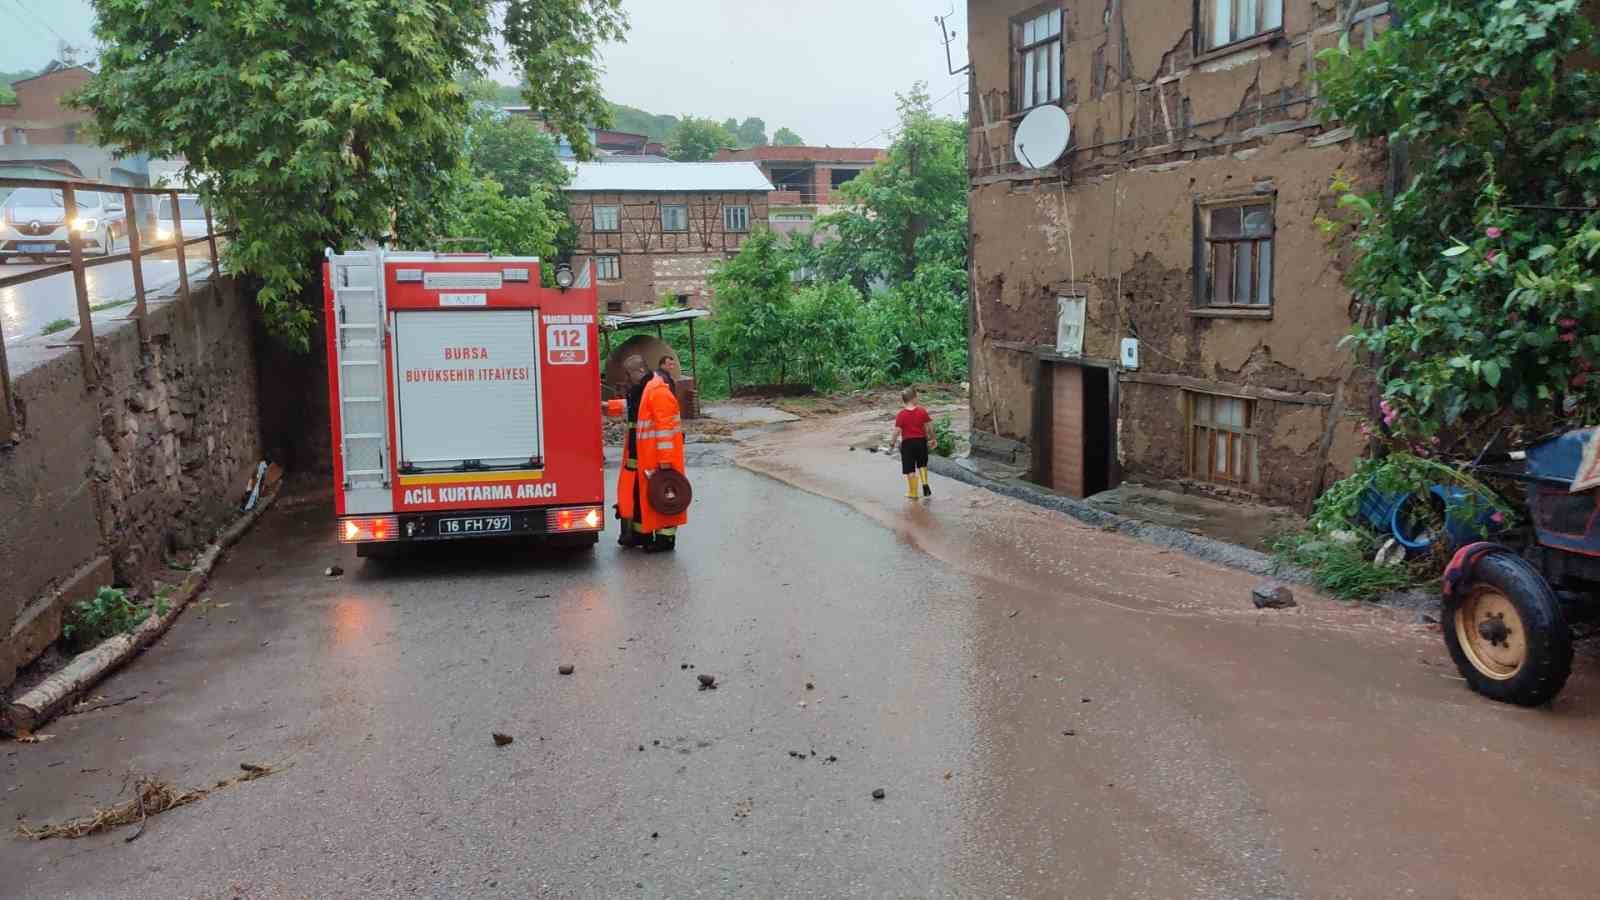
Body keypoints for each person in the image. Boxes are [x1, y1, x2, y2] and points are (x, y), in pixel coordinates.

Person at [634, 355, 688, 551]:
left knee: (667, 498)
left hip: (662, 459)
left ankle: (666, 541)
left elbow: (664, 428)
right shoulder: (653, 389)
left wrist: (665, 461)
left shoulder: (657, 391)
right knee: (661, 498)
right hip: (655, 457)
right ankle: (662, 538)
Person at [602, 355, 652, 547]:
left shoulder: (651, 389)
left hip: (642, 454)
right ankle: (635, 533)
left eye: (629, 374)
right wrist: (610, 406)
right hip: (636, 453)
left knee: (639, 495)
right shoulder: (642, 390)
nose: (627, 379)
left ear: (639, 371)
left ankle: (639, 533)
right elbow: (632, 407)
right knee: (632, 495)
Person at [889, 387, 933, 499]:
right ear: (914, 398)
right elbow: (929, 427)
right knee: (922, 464)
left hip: (908, 444)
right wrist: (933, 438)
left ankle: (913, 493)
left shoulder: (901, 414)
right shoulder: (922, 411)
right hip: (921, 442)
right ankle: (925, 484)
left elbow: (896, 432)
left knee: (910, 468)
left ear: (903, 400)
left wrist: (892, 444)